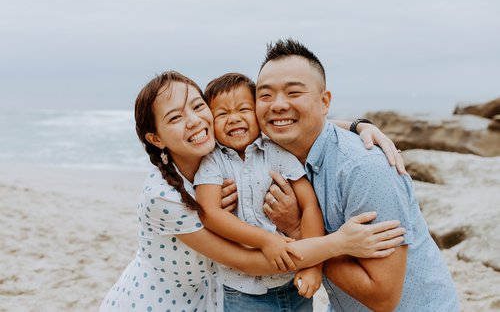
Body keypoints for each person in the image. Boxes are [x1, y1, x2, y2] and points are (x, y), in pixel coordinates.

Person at [99, 71, 407, 312]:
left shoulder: (218, 149)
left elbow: (287, 124)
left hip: (211, 295)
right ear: (155, 138)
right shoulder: (163, 195)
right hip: (161, 302)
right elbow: (247, 261)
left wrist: (358, 126)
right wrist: (339, 243)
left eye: (197, 107)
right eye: (176, 118)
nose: (194, 121)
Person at [255, 38, 460, 311]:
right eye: (265, 95)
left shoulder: (364, 169)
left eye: (293, 93)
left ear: (324, 101)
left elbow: (383, 297)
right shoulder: (279, 153)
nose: (278, 105)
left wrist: (298, 229)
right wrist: (358, 124)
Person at [194, 73, 324, 311]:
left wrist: (313, 266)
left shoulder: (277, 153)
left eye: (243, 109)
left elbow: (310, 205)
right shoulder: (212, 162)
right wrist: (266, 240)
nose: (233, 119)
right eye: (222, 114)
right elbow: (210, 213)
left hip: (293, 282)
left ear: (258, 113)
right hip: (243, 290)